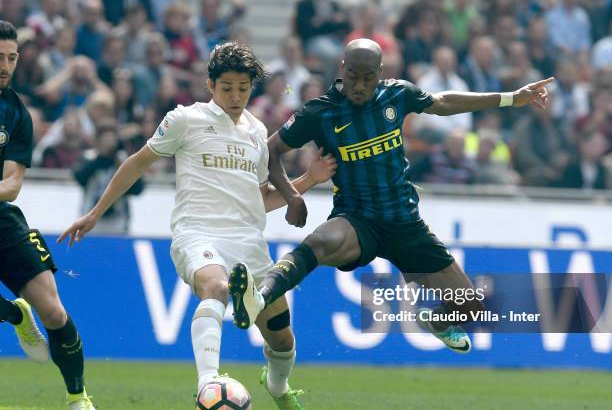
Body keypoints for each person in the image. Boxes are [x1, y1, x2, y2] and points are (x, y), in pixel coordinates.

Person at [58, 42, 337, 410]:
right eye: (227, 88)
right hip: (197, 232)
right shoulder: (184, 120)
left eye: (243, 87)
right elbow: (137, 163)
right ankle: (209, 384)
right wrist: (94, 213)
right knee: (216, 287)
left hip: (249, 242)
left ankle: (277, 386)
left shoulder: (257, 132)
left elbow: (260, 199)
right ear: (210, 85)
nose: (236, 96)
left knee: (282, 339)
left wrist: (309, 179)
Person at [229, 38, 553, 354]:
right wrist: (292, 196)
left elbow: (443, 102)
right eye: (353, 77)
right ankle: (260, 296)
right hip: (357, 219)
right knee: (320, 242)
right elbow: (270, 150)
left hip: (405, 223)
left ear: (380, 73)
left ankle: (438, 322)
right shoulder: (320, 112)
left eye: (367, 79)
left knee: (470, 308)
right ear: (342, 68)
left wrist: (511, 97)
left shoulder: (397, 94)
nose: (358, 86)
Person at [0, 20, 100, 410]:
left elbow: (12, 184)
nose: (4, 66)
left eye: (10, 58)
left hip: (2, 219)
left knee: (54, 313)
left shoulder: (16, 113)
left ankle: (78, 397)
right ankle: (14, 314)